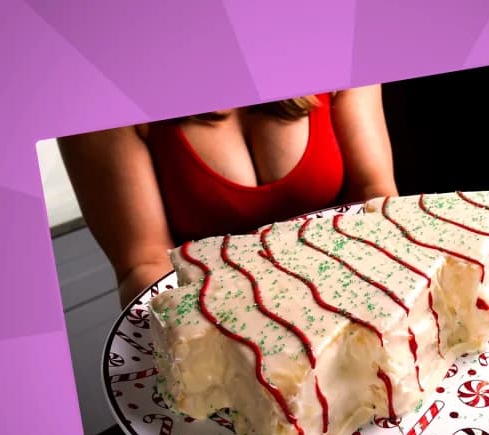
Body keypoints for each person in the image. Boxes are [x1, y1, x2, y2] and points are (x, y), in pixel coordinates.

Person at [58, 85, 399, 306]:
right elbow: (144, 264)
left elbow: (375, 193)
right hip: (216, 323)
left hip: (352, 293)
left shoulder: (329, 38)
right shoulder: (97, 93)